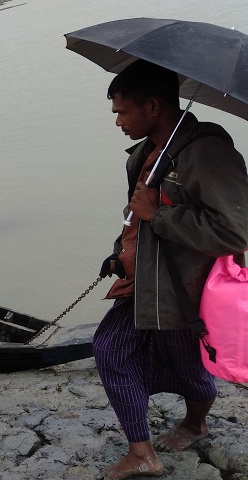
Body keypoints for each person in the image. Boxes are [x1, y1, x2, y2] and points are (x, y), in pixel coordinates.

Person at [94, 60, 248, 480]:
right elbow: (134, 218)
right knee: (109, 350)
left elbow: (236, 232)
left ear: (154, 107)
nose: (119, 122)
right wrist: (118, 253)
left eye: (123, 112)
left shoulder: (207, 153)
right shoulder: (145, 156)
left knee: (187, 367)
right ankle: (142, 452)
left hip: (182, 289)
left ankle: (196, 424)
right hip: (143, 282)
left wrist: (160, 216)